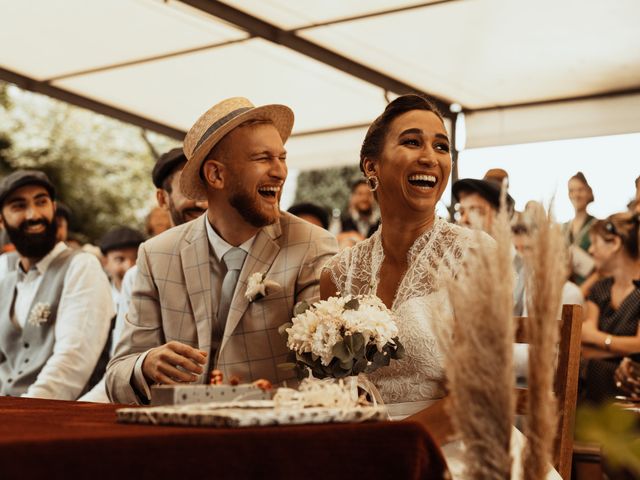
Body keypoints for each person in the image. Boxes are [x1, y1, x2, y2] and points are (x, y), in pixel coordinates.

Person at [106, 97, 338, 404]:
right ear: (216, 175)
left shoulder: (312, 245)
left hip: (272, 437)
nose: (279, 171)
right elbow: (117, 377)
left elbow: (326, 371)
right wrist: (145, 364)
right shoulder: (156, 253)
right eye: (262, 158)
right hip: (179, 438)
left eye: (281, 157)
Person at [320, 93, 483, 432]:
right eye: (412, 142)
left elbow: (477, 395)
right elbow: (330, 388)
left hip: (450, 444)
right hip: (361, 445)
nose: (430, 158)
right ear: (371, 166)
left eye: (441, 147)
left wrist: (395, 448)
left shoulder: (475, 255)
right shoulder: (339, 273)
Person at [80, 149, 207, 403]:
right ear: (162, 198)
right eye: (189, 189)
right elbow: (120, 368)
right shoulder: (137, 274)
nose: (202, 202)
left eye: (206, 188)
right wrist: (145, 364)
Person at [0, 170, 113, 399]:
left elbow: (72, 361)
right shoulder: (4, 268)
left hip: (51, 416)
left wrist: (23, 414)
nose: (33, 215)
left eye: (41, 202)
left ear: (53, 207)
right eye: (18, 206)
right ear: (1, 220)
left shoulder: (82, 267)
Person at [580, 212, 640, 404]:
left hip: (630, 393)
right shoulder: (600, 289)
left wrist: (597, 338)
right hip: (593, 394)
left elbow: (639, 345)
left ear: (614, 243)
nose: (590, 250)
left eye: (595, 243)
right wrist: (626, 348)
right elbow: (584, 349)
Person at [452, 176, 525, 315]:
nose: (464, 219)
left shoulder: (527, 273)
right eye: (461, 212)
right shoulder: (453, 269)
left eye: (475, 210)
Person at [98, 226, 145, 312]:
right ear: (105, 262)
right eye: (120, 259)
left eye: (136, 258)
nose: (129, 266)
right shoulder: (97, 301)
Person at [564, 172, 597, 285]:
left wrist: (581, 292)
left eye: (580, 189)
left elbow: (602, 268)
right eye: (571, 190)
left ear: (588, 192)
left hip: (588, 289)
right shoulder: (563, 228)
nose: (576, 194)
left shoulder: (597, 225)